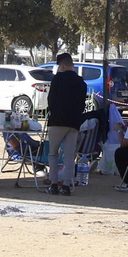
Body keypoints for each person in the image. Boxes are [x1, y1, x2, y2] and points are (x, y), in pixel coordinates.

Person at [44, 53, 87, 196]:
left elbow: (51, 100)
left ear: (62, 65)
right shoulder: (81, 82)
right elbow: (82, 104)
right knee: (69, 156)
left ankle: (54, 184)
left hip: (57, 120)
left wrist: (53, 112)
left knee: (53, 154)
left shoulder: (57, 79)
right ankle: (67, 185)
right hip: (74, 121)